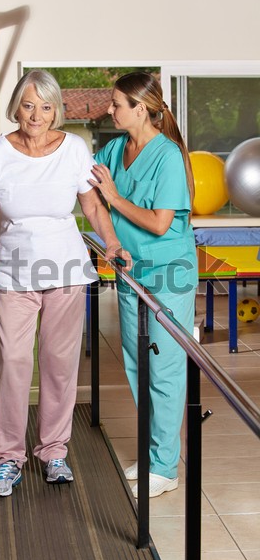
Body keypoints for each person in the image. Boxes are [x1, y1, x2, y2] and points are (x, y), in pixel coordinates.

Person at [0, 68, 131, 498]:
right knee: (16, 364)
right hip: (13, 274)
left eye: (45, 106)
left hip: (67, 271)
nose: (36, 114)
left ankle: (54, 451)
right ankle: (7, 459)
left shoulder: (74, 148)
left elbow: (92, 208)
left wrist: (111, 244)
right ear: (16, 108)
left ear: (56, 109)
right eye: (28, 105)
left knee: (60, 366)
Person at [89, 72, 198, 498]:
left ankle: (167, 467)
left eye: (116, 104)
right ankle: (154, 455)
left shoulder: (168, 155)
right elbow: (83, 182)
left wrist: (114, 199)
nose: (109, 110)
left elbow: (159, 222)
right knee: (139, 365)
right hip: (132, 273)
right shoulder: (116, 148)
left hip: (169, 274)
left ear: (141, 108)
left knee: (166, 369)